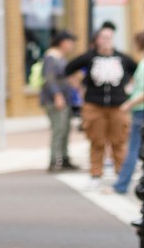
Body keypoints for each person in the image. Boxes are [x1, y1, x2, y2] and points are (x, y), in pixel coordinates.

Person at [64, 24, 138, 192]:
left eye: (109, 38)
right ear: (97, 40)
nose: (106, 41)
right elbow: (68, 69)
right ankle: (95, 175)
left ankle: (121, 176)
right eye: (103, 38)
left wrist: (130, 90)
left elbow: (138, 72)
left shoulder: (122, 58)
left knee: (118, 141)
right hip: (94, 105)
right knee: (97, 141)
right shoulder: (89, 58)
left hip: (118, 106)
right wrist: (79, 88)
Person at [112, 30, 144, 196]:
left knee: (133, 148)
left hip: (141, 110)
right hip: (140, 110)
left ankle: (121, 185)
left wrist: (128, 103)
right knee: (140, 148)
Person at [39, 29, 78, 173]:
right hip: (55, 100)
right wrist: (57, 96)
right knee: (58, 130)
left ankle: (64, 158)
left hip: (65, 99)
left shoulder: (62, 57)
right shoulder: (51, 57)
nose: (72, 45)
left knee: (65, 129)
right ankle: (55, 161)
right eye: (70, 42)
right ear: (62, 42)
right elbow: (49, 79)